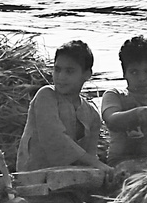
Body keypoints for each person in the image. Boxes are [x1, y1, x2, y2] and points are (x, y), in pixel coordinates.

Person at [16, 39, 105, 172]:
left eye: (69, 71)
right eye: (57, 70)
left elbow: (91, 155)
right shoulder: (46, 96)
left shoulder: (92, 114)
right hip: (34, 177)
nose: (61, 77)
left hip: (72, 178)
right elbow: (55, 139)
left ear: (87, 75)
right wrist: (95, 163)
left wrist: (99, 168)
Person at [100, 35, 147, 173]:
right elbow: (111, 119)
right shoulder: (114, 95)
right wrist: (137, 114)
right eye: (134, 72)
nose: (142, 78)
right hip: (122, 162)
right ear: (124, 73)